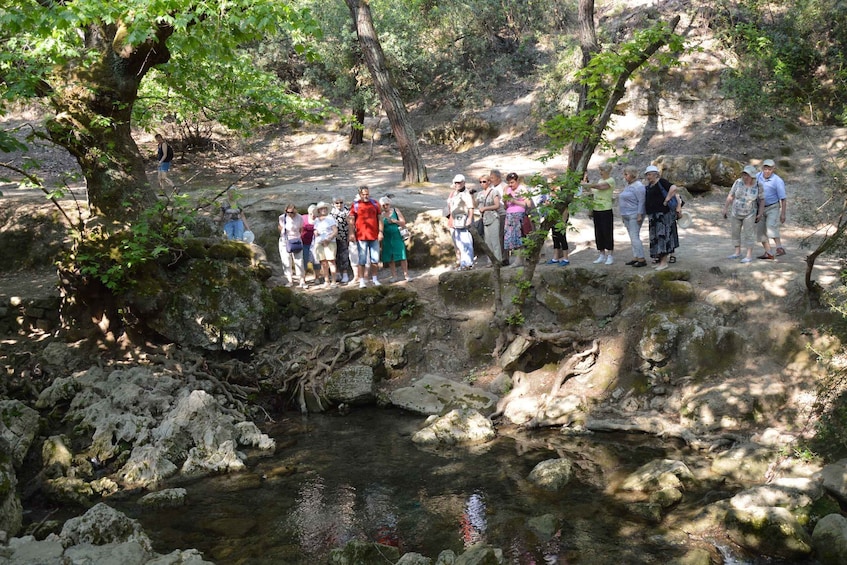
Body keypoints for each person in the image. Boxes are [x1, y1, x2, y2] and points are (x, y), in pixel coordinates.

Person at [723, 165, 765, 264]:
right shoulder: (738, 182)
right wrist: (725, 208)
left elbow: (762, 200)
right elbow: (731, 195)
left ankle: (748, 255)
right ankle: (737, 252)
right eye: (744, 174)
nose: (745, 177)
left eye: (747, 175)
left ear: (752, 176)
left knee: (749, 233)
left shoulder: (758, 185)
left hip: (750, 213)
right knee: (735, 232)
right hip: (736, 211)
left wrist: (760, 213)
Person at [643, 165, 680, 271]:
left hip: (663, 215)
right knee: (654, 238)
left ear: (655, 174)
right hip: (653, 216)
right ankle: (659, 260)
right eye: (647, 175)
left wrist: (667, 199)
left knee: (662, 237)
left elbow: (673, 188)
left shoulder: (661, 182)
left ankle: (664, 262)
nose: (648, 177)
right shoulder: (650, 185)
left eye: (649, 175)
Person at [348, 185, 383, 288]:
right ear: (360, 195)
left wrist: (380, 232)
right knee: (362, 260)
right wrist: (351, 233)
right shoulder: (355, 205)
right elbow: (351, 221)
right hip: (361, 236)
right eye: (363, 194)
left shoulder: (375, 203)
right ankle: (362, 280)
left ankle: (375, 279)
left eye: (367, 194)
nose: (366, 196)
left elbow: (380, 219)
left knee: (375, 259)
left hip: (374, 235)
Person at [583, 163, 616, 265]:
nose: (600, 173)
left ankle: (610, 255)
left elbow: (600, 187)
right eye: (600, 171)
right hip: (596, 209)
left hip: (606, 209)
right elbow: (592, 191)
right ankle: (601, 254)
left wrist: (588, 185)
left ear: (607, 171)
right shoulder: (600, 180)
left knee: (607, 231)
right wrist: (584, 184)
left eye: (602, 171)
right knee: (599, 232)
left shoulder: (610, 181)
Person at [756, 158, 788, 260]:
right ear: (762, 168)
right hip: (759, 207)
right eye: (765, 168)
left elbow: (783, 198)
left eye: (769, 169)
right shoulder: (757, 177)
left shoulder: (777, 181)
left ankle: (779, 248)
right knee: (760, 231)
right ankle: (768, 253)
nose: (767, 171)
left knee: (771, 227)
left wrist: (783, 214)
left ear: (773, 169)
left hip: (772, 207)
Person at [619, 165, 647, 267]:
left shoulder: (638, 186)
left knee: (635, 236)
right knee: (632, 236)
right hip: (626, 214)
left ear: (632, 175)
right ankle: (635, 256)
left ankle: (641, 258)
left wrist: (639, 214)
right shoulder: (628, 185)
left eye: (626, 174)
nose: (624, 176)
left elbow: (641, 201)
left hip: (634, 214)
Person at [503, 172, 531, 267]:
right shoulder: (507, 189)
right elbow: (506, 206)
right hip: (510, 215)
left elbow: (528, 204)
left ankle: (519, 260)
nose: (511, 185)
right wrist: (505, 200)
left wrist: (515, 201)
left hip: (519, 215)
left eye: (512, 182)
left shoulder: (522, 189)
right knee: (512, 239)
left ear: (517, 181)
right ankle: (518, 259)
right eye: (509, 183)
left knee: (520, 237)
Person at [379, 196, 411, 282]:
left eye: (387, 204)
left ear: (389, 204)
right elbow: (381, 227)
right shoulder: (381, 215)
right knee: (390, 257)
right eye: (383, 205)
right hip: (387, 238)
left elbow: (403, 223)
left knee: (402, 255)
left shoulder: (395, 211)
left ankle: (406, 275)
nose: (385, 206)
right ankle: (394, 276)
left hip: (397, 236)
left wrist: (395, 221)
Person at [447, 174, 475, 270]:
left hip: (463, 218)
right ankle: (464, 263)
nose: (457, 184)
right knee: (459, 243)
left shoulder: (466, 194)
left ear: (463, 183)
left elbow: (471, 207)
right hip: (456, 219)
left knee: (466, 241)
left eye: (459, 182)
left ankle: (468, 263)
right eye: (456, 182)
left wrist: (469, 218)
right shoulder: (455, 193)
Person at [476, 174, 504, 265]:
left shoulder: (493, 192)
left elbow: (497, 205)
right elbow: (475, 205)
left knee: (495, 240)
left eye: (484, 181)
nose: (482, 184)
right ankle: (490, 260)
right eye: (480, 182)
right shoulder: (480, 194)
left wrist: (485, 208)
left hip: (493, 217)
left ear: (489, 182)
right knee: (487, 241)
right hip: (485, 219)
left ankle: (498, 260)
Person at [278, 204, 307, 289]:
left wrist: (298, 237)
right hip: (285, 241)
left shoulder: (299, 217)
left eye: (292, 212)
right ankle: (290, 280)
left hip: (296, 240)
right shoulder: (282, 218)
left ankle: (302, 280)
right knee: (286, 260)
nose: (290, 214)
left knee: (299, 261)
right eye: (288, 212)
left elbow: (301, 229)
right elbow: (280, 227)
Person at [312, 202, 339, 289]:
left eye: (325, 208)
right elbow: (315, 231)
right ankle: (326, 280)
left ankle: (334, 281)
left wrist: (328, 238)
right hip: (319, 242)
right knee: (323, 262)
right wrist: (316, 232)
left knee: (331, 261)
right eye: (321, 209)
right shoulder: (316, 220)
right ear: (318, 210)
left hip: (329, 242)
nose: (323, 210)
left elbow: (335, 231)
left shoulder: (330, 218)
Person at [330, 197, 352, 284]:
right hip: (333, 237)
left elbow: (351, 224)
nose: (339, 204)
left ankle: (345, 274)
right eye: (337, 203)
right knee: (335, 255)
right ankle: (337, 273)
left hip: (344, 236)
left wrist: (349, 235)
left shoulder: (347, 211)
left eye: (341, 202)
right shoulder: (330, 212)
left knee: (344, 255)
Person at [489, 169, 508, 265]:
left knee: (502, 236)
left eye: (492, 177)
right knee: (495, 237)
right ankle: (498, 257)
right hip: (494, 214)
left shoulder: (504, 186)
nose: (491, 179)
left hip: (502, 213)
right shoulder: (492, 187)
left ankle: (504, 258)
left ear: (498, 177)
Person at [301, 204, 318, 284]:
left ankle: (317, 277)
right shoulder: (303, 218)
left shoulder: (319, 219)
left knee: (316, 261)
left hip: (316, 244)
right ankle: (303, 278)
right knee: (304, 260)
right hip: (305, 243)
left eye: (314, 213)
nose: (313, 215)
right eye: (311, 213)